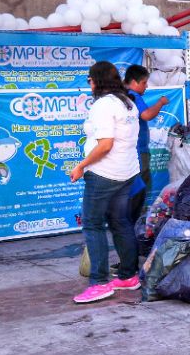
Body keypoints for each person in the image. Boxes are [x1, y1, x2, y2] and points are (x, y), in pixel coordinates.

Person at [70, 61, 142, 303]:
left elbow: (105, 145)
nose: (89, 84)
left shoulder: (103, 105)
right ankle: (128, 276)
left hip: (104, 174)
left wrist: (81, 166)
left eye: (89, 80)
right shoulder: (127, 102)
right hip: (126, 172)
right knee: (120, 221)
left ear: (97, 80)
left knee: (92, 224)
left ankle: (100, 282)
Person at [123, 64, 168, 221]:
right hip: (137, 151)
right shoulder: (133, 96)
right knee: (139, 188)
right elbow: (147, 115)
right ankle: (136, 222)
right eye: (144, 83)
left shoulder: (122, 96)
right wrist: (160, 103)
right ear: (134, 82)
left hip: (130, 151)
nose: (146, 86)